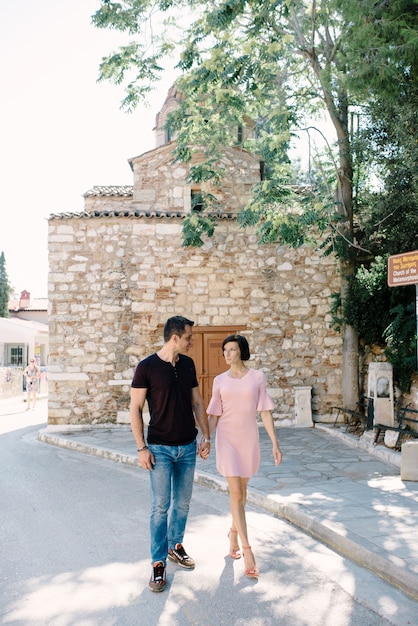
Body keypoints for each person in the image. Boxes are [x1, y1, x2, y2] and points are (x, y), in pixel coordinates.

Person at [130, 315, 211, 593]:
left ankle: (175, 545)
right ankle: (157, 562)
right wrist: (142, 447)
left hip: (187, 447)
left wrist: (206, 435)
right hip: (160, 449)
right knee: (159, 507)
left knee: (183, 504)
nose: (191, 341)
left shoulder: (187, 364)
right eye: (189, 337)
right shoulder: (146, 368)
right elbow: (135, 409)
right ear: (175, 338)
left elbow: (198, 402)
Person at [205, 334, 282, 579]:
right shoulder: (219, 381)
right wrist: (205, 438)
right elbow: (214, 415)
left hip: (248, 439)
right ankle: (248, 551)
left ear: (242, 352)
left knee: (243, 492)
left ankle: (233, 534)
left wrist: (275, 443)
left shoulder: (257, 377)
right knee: (236, 493)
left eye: (232, 350)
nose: (227, 354)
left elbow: (265, 412)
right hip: (226, 439)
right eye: (225, 350)